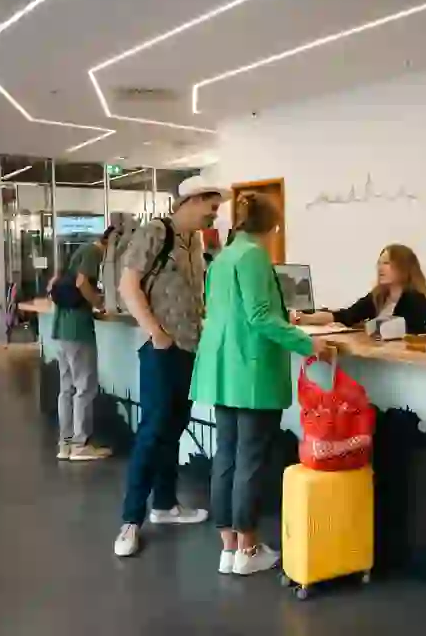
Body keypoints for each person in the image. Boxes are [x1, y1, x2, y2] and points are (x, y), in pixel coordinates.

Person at [190, 193, 330, 575]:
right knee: (249, 460)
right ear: (272, 227)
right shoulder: (252, 256)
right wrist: (308, 343)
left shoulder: (223, 257)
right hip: (249, 369)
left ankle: (229, 549)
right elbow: (261, 317)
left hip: (223, 367)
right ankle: (248, 551)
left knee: (227, 456)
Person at [113, 176, 227, 557]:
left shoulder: (193, 243)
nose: (214, 217)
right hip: (162, 350)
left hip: (190, 349)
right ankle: (130, 521)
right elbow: (128, 286)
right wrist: (156, 333)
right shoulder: (154, 232)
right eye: (211, 209)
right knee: (153, 431)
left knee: (174, 427)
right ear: (192, 201)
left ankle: (164, 504)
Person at [52, 226, 115, 462]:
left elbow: (57, 282)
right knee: (85, 387)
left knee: (67, 388)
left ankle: (66, 443)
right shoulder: (93, 252)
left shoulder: (80, 251)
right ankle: (81, 444)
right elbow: (81, 283)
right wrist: (98, 302)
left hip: (61, 328)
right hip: (77, 329)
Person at [297, 244, 426, 334]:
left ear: (404, 267)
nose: (380, 268)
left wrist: (365, 328)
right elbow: (346, 315)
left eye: (386, 263)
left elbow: (408, 332)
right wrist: (305, 319)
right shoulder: (378, 296)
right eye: (379, 263)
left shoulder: (415, 299)